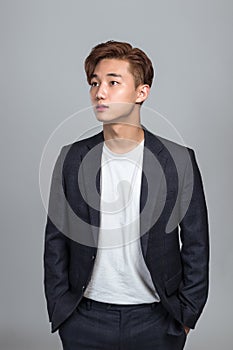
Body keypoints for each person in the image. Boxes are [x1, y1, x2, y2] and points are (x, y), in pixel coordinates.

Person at [44, 40, 209, 350]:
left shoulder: (179, 161)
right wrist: (61, 309)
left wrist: (187, 315)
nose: (99, 92)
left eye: (113, 82)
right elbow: (55, 240)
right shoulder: (72, 158)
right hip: (84, 318)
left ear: (141, 92)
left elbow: (197, 243)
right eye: (94, 83)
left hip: (158, 319)